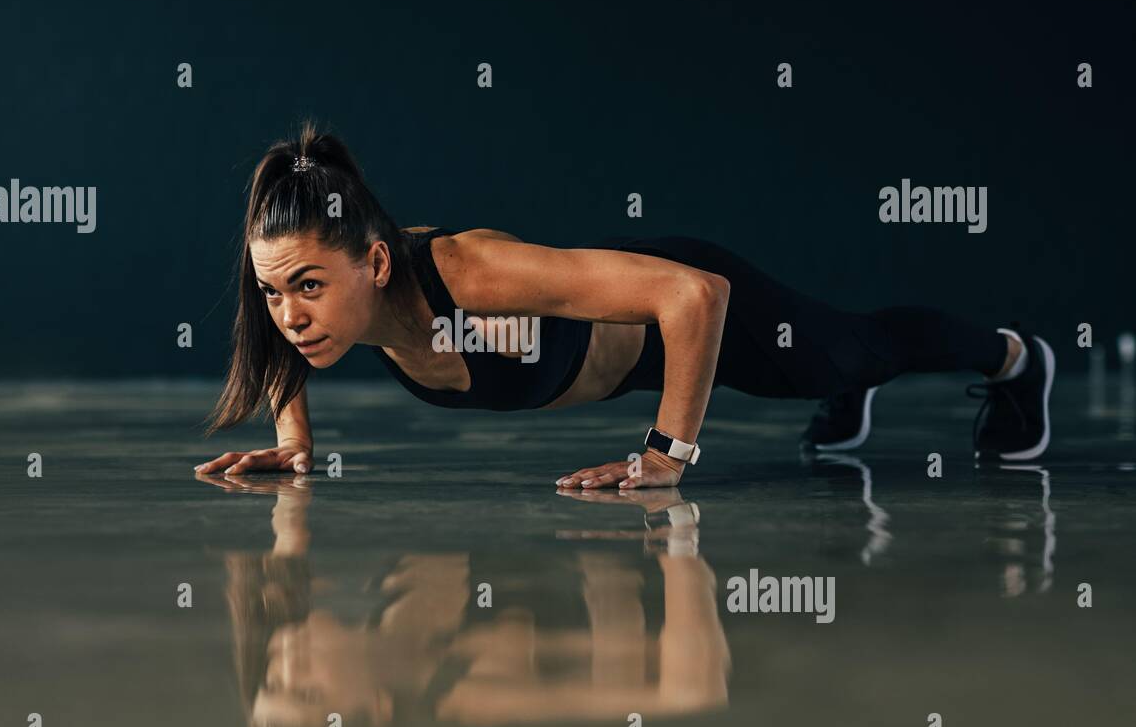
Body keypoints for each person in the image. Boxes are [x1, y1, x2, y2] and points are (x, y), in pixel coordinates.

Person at [196, 121, 1054, 489]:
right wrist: (293, 439)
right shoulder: (328, 295)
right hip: (642, 332)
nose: (290, 315)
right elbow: (278, 332)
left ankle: (1017, 358)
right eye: (274, 292)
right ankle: (846, 386)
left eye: (308, 287)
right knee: (833, 364)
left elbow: (693, 296)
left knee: (852, 351)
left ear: (376, 262)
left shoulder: (470, 272)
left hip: (687, 302)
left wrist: (665, 458)